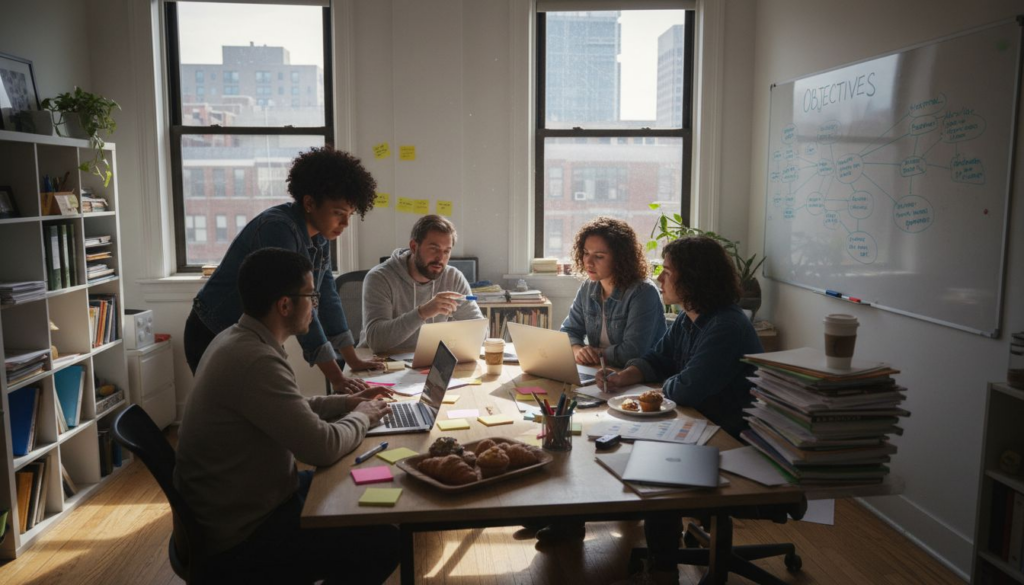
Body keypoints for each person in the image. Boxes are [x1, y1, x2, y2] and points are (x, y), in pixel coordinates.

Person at [175, 248, 398, 584]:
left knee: (354, 486)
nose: (316, 304)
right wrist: (365, 415)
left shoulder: (236, 339)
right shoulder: (255, 360)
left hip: (241, 508)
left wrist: (346, 405)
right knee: (383, 541)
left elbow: (287, 408)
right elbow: (321, 446)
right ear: (284, 305)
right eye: (311, 295)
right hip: (244, 538)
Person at [596, 235, 763, 580]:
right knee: (623, 439)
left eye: (667, 272)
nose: (659, 279)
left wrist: (662, 384)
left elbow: (687, 388)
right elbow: (659, 358)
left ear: (692, 278)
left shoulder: (726, 326)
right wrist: (628, 375)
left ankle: (664, 564)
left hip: (732, 439)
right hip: (701, 423)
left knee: (657, 463)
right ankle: (663, 552)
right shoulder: (690, 318)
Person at [184, 146, 380, 394]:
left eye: (350, 214)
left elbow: (327, 297)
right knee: (238, 418)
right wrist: (337, 379)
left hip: (249, 337)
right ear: (309, 203)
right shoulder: (277, 229)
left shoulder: (320, 237)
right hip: (213, 331)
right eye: (339, 213)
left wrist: (352, 362)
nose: (345, 223)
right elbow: (301, 307)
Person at [360, 214, 483, 353]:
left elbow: (480, 331)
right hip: (380, 362)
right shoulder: (380, 278)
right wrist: (422, 313)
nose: (440, 258)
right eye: (433, 248)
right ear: (413, 247)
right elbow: (376, 341)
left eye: (446, 251)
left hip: (427, 361)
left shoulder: (453, 278)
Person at [560, 217, 666, 368]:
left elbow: (633, 352)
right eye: (585, 253)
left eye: (599, 256)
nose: (588, 262)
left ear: (620, 258)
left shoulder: (643, 292)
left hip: (638, 378)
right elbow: (568, 331)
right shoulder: (588, 287)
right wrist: (578, 350)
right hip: (601, 370)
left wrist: (595, 354)